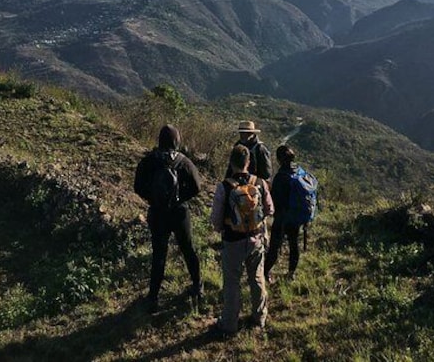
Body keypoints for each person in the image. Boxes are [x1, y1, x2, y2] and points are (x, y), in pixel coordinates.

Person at [133, 124, 203, 314]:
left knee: (159, 255)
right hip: (179, 213)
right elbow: (197, 186)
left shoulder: (149, 161)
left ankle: (153, 297)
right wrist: (180, 198)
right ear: (177, 140)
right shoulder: (183, 161)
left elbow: (137, 186)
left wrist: (153, 198)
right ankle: (198, 285)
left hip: (158, 213)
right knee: (188, 249)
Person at [210, 144, 274, 334]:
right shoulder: (260, 183)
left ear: (231, 163)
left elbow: (216, 219)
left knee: (232, 282)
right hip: (256, 239)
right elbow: (270, 209)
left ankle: (229, 324)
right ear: (249, 162)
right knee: (257, 278)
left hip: (232, 241)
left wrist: (222, 228)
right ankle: (259, 317)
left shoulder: (224, 187)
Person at [265, 145, 314, 283]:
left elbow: (274, 199)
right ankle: (291, 273)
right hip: (296, 217)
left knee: (274, 247)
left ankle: (265, 272)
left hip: (282, 217)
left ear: (279, 159)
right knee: (294, 245)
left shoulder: (281, 176)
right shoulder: (299, 172)